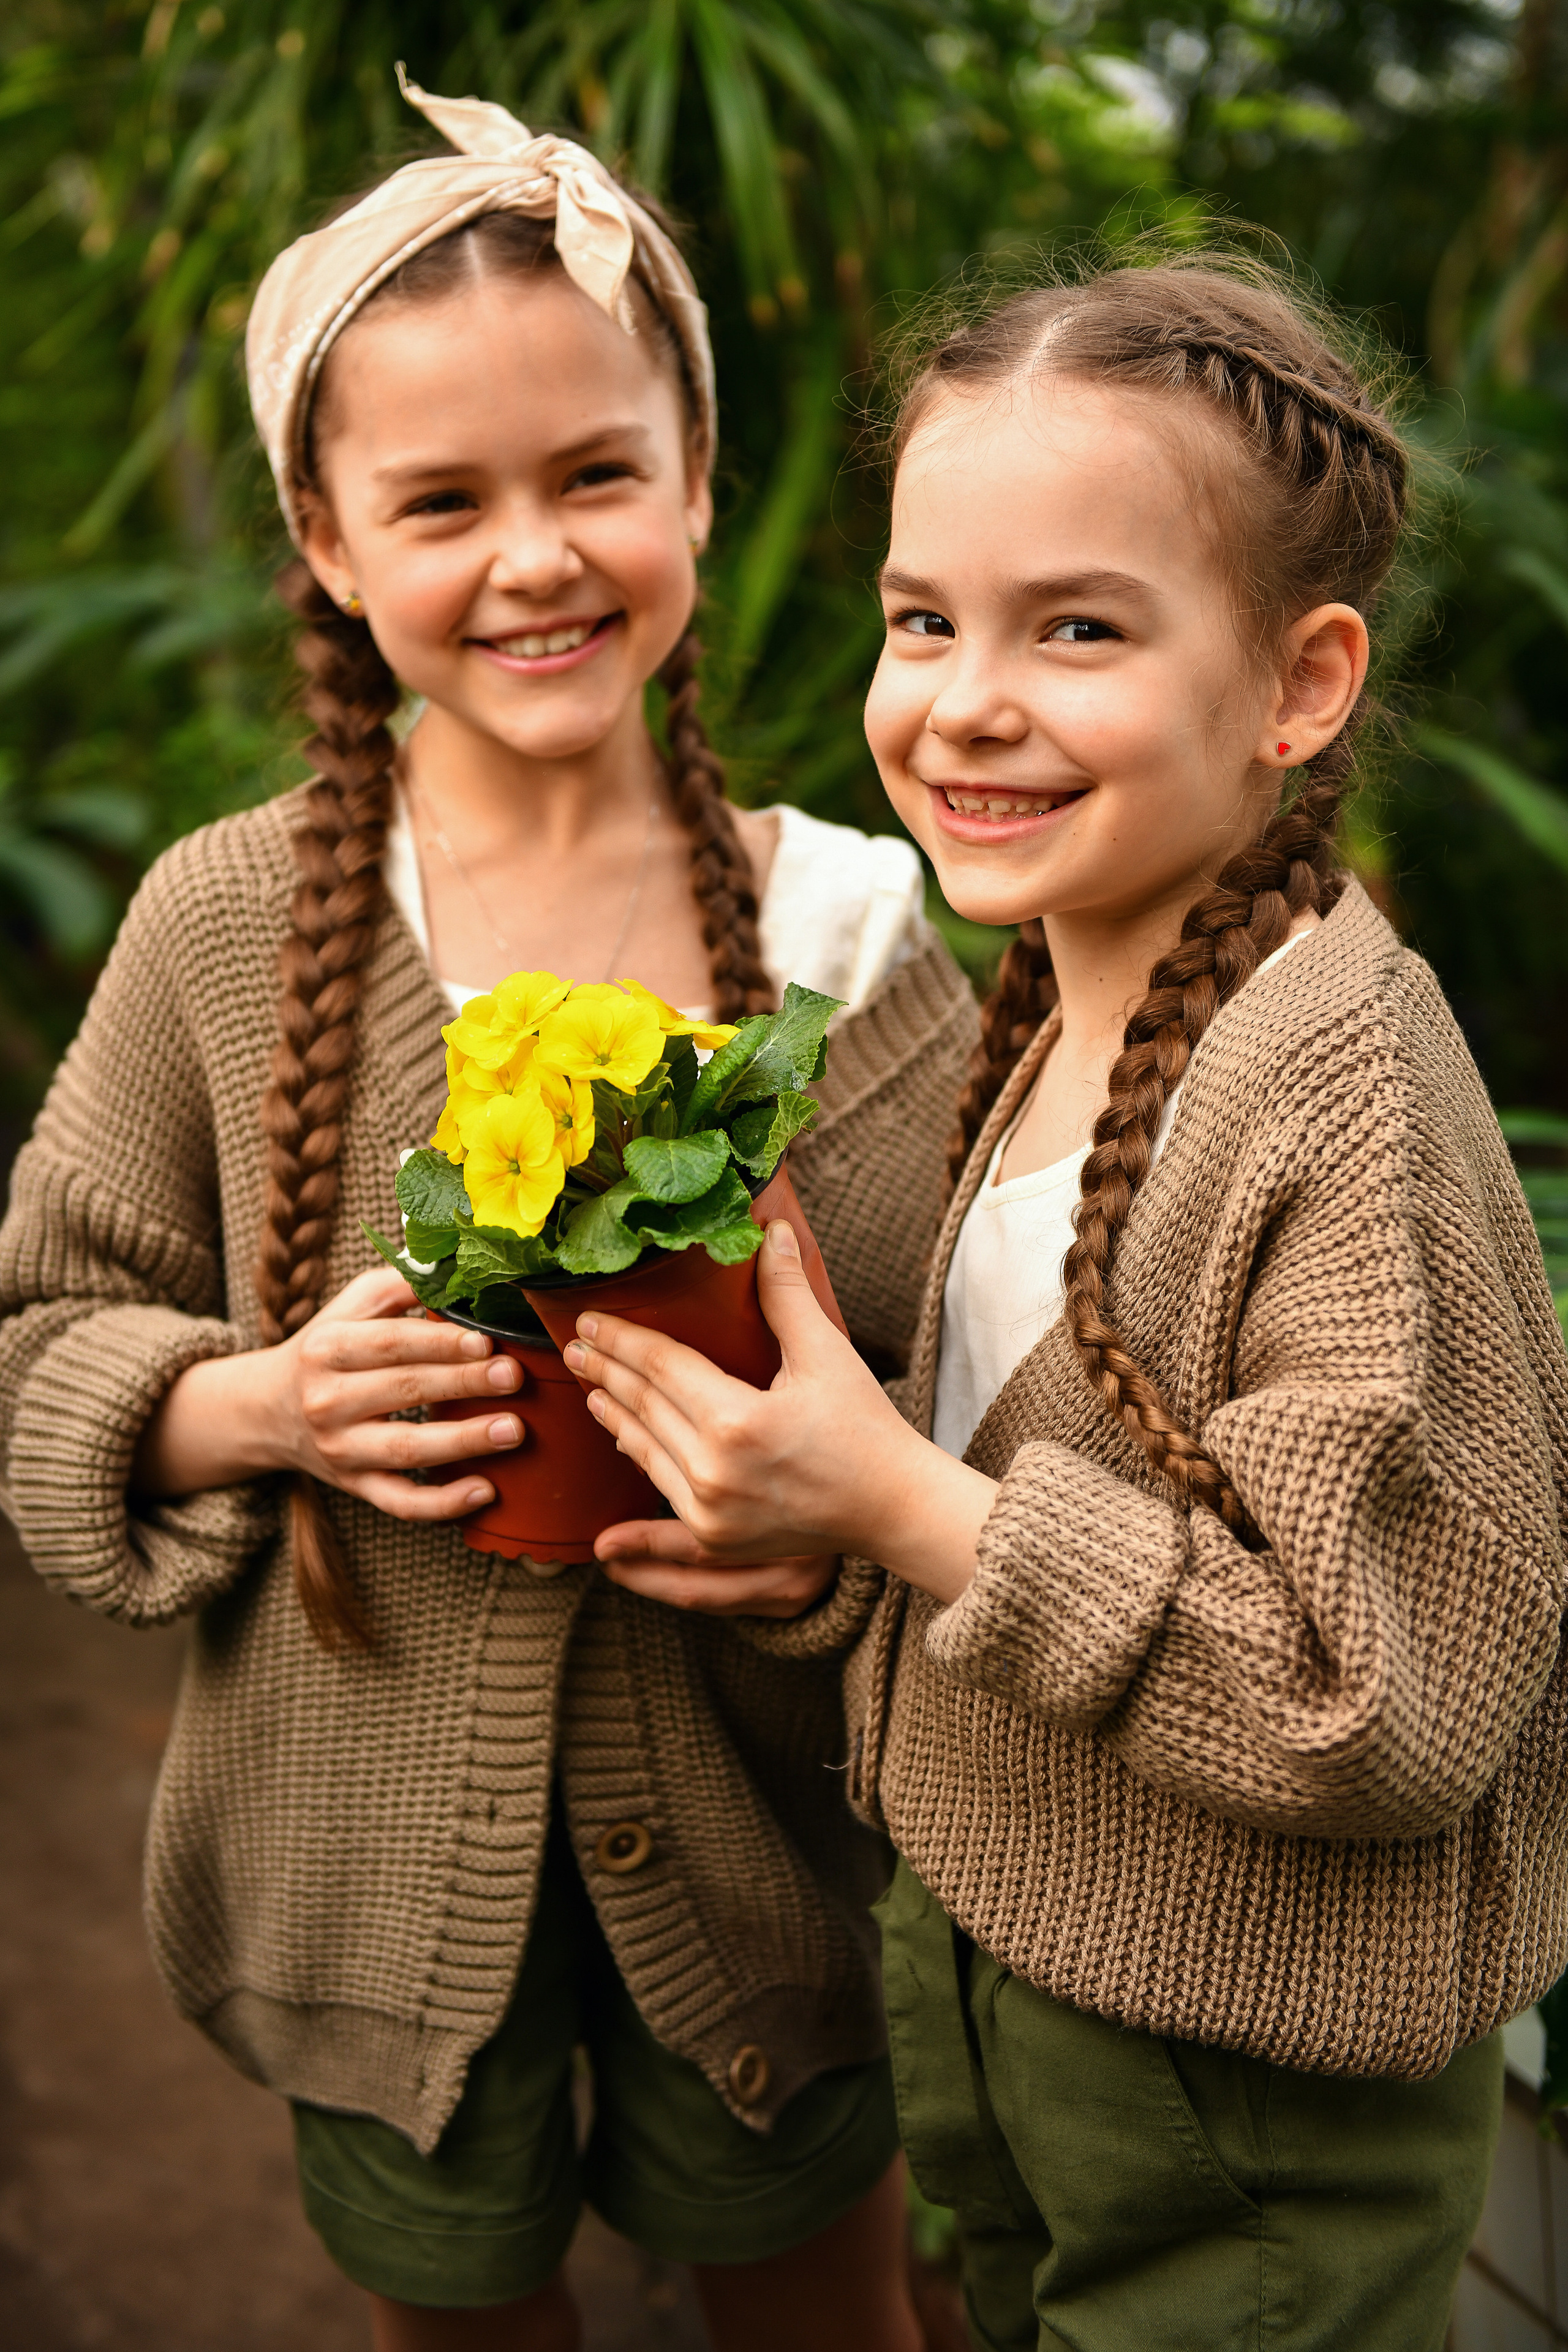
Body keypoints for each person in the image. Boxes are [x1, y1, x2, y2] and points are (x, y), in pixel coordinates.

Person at [0, 72, 981, 2352]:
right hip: (364, 1865)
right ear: (329, 546)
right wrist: (250, 1405)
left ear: (697, 489)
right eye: (441, 500)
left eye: (596, 477)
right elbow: (50, 1323)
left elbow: (964, 1381)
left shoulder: (848, 929)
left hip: (767, 1860)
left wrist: (833, 1527)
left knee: (831, 2306)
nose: (532, 558)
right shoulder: (226, 932)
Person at [565, 248, 1568, 2350]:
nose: (964, 699)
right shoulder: (1055, 1010)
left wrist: (909, 1511)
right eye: (925, 618)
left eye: (1079, 628)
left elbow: (1372, 1699)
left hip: (1248, 2076)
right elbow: (1030, 1525)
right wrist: (825, 1536)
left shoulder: (1338, 1097)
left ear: (1300, 686)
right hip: (1019, 1975)